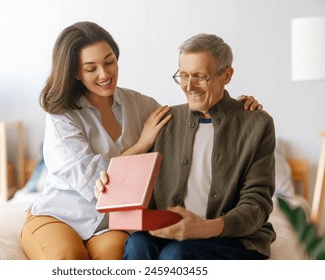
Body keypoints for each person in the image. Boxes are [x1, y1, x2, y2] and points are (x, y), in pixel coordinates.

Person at [21, 21, 262, 260]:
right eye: (91, 68)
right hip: (60, 215)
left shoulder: (141, 105)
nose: (104, 74)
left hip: (110, 225)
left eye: (109, 62)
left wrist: (236, 107)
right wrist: (141, 144)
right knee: (67, 259)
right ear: (75, 71)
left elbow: (194, 118)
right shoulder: (61, 116)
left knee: (117, 256)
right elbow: (99, 185)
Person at [96, 33, 276, 260]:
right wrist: (110, 184)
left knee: (176, 255)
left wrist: (205, 227)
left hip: (231, 238)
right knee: (137, 245)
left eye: (200, 76)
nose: (189, 85)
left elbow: (257, 203)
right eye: (183, 75)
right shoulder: (164, 119)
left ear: (226, 75)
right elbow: (138, 187)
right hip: (168, 231)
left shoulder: (257, 123)